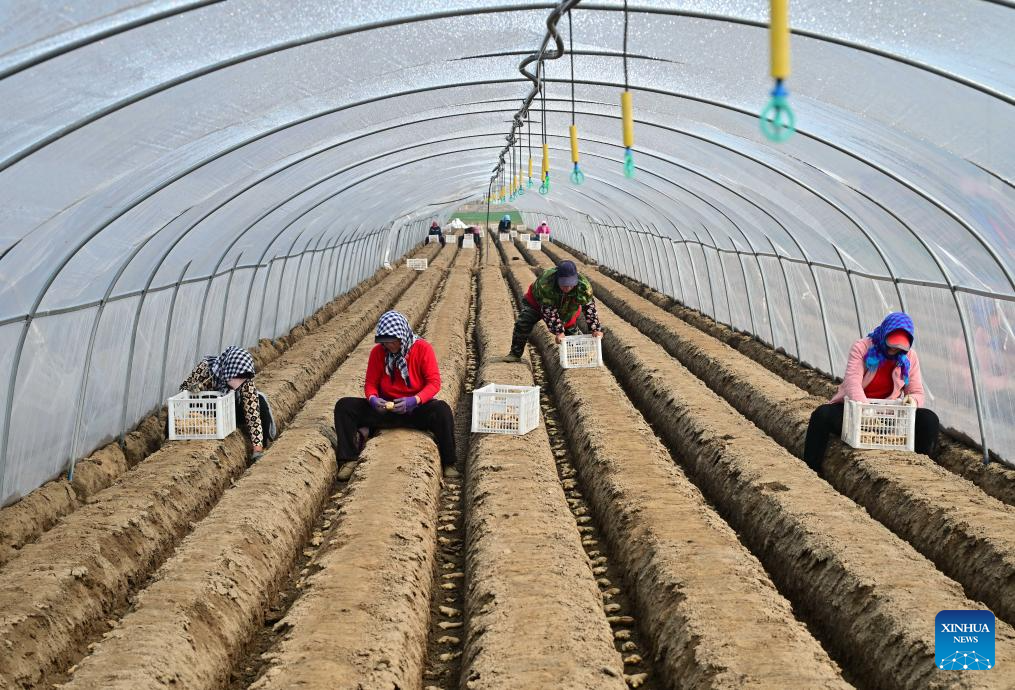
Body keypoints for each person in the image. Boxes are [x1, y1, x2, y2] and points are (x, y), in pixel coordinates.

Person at [803, 312, 940, 476]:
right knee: (822, 415)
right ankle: (812, 469)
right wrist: (866, 412)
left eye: (899, 347)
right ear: (884, 334)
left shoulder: (910, 357)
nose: (894, 349)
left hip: (888, 416)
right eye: (892, 344)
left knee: (929, 419)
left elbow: (916, 392)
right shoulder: (862, 348)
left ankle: (919, 469)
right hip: (856, 413)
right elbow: (852, 382)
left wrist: (913, 401)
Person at [333, 310, 457, 480]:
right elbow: (370, 383)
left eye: (392, 342)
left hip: (414, 409)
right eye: (384, 343)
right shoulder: (378, 353)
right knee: (344, 406)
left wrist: (415, 400)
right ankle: (348, 459)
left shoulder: (422, 349)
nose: (388, 346)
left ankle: (449, 463)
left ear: (402, 336)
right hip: (386, 410)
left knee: (442, 410)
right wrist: (373, 399)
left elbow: (434, 383)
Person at [500, 260, 603, 363]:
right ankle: (515, 354)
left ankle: (583, 353)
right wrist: (559, 331)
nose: (567, 287)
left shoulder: (583, 286)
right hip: (536, 303)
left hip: (566, 305)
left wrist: (595, 328)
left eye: (570, 284)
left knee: (569, 329)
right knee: (523, 322)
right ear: (557, 278)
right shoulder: (546, 283)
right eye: (564, 284)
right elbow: (549, 311)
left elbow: (589, 307)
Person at [180, 345, 272, 460]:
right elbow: (183, 391)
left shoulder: (246, 382)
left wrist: (257, 450)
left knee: (260, 403)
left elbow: (253, 416)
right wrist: (193, 388)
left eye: (243, 378)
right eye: (238, 376)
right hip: (205, 413)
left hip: (230, 412)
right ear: (230, 368)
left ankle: (262, 447)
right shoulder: (206, 369)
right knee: (176, 415)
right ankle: (169, 440)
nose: (240, 381)